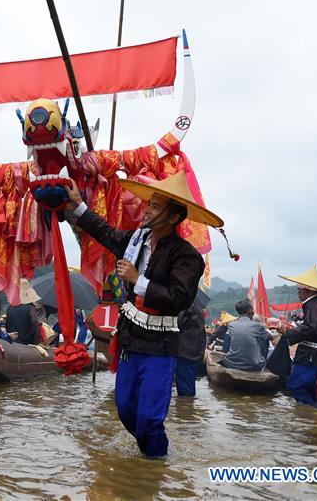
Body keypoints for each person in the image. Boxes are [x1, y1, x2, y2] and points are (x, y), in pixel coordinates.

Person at [63, 171, 221, 458]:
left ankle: (156, 462)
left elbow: (179, 298)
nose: (146, 209)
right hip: (129, 338)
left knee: (149, 417)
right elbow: (106, 233)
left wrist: (138, 280)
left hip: (160, 345)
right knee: (124, 408)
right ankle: (150, 451)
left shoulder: (188, 257)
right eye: (150, 203)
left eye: (156, 206)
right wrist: (78, 205)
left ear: (174, 218)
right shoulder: (136, 239)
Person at [277, 267, 317, 406]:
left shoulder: (312, 304)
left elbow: (311, 328)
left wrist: (287, 331)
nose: (298, 293)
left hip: (311, 355)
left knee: (295, 385)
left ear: (307, 289)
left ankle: (311, 413)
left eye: (299, 289)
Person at [220, 299, 270, 371]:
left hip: (231, 363)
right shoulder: (257, 326)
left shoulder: (231, 325)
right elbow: (271, 338)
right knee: (265, 338)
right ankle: (260, 363)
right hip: (254, 366)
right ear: (250, 312)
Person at [176, 297, 206, 396]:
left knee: (185, 390)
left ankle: (186, 408)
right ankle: (187, 409)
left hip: (186, 350)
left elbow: (178, 322)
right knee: (188, 383)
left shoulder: (188, 304)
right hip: (193, 349)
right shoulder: (197, 304)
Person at [5, 278, 41, 344]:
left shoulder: (10, 308)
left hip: (12, 344)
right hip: (27, 345)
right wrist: (36, 343)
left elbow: (7, 326)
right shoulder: (30, 308)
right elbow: (35, 324)